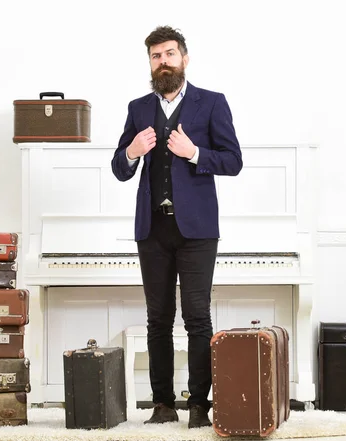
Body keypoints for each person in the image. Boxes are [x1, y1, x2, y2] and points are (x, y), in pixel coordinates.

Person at [111, 25, 242, 429]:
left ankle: (200, 405)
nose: (163, 62)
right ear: (149, 63)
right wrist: (132, 152)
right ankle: (163, 404)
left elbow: (233, 161)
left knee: (198, 317)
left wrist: (195, 152)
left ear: (184, 58)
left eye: (169, 54)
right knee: (158, 319)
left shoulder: (212, 103)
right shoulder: (137, 108)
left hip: (198, 229)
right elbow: (119, 167)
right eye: (155, 56)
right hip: (153, 229)